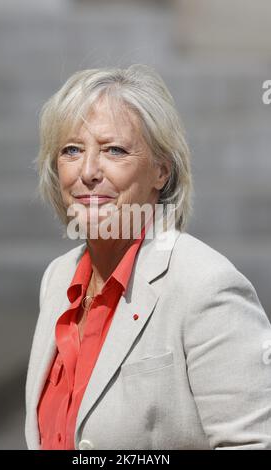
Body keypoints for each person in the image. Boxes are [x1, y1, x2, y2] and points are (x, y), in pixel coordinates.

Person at [25, 64, 271, 450]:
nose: (88, 171)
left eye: (114, 150)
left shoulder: (206, 285)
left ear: (161, 170)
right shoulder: (58, 278)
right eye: (72, 150)